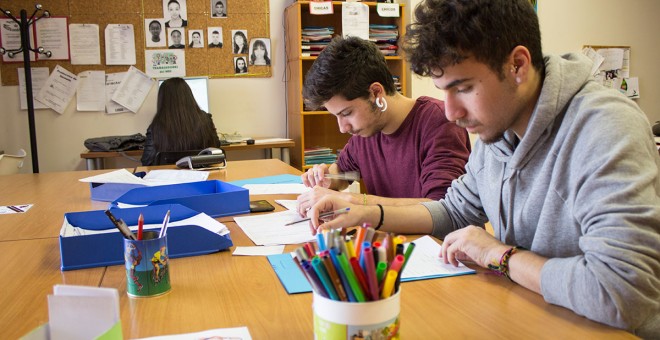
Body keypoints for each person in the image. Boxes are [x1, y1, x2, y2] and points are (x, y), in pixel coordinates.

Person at [308, 0, 660, 337]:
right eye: (444, 90)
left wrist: (498, 255)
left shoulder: (604, 128)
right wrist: (362, 214)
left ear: (517, 65)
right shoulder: (498, 128)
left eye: (463, 88)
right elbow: (453, 210)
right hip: (528, 312)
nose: (450, 112)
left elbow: (621, 293)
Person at [297, 36, 471, 216]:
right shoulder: (366, 131)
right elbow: (345, 172)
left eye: (347, 113)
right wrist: (326, 178)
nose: (343, 128)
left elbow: (442, 210)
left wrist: (355, 201)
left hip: (437, 243)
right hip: (390, 240)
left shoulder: (439, 122)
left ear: (375, 92)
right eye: (336, 116)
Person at [141, 77, 222, 166]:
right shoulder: (205, 119)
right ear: (188, 95)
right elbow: (216, 149)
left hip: (168, 178)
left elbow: (147, 161)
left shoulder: (156, 126)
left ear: (163, 100)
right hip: (202, 175)